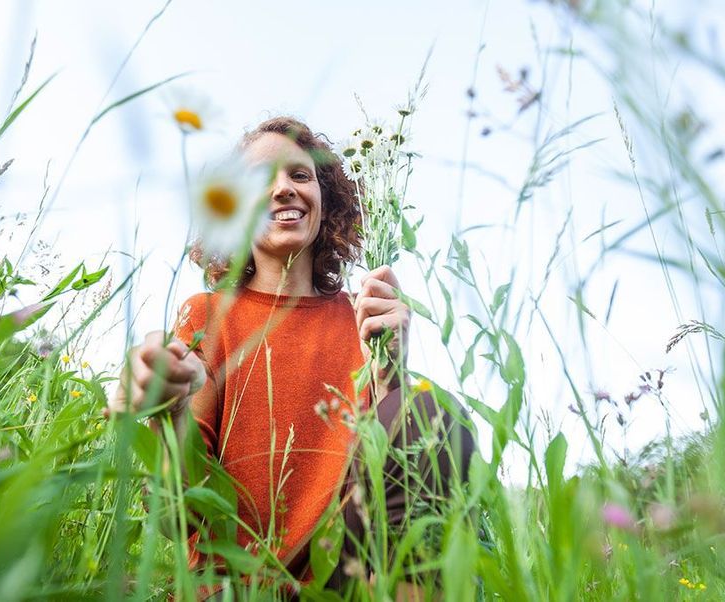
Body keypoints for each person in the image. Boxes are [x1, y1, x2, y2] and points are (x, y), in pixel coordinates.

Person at [111, 116, 474, 596]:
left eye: (299, 175)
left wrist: (392, 373)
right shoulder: (208, 316)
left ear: (325, 203)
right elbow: (183, 506)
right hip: (233, 589)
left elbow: (394, 481)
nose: (283, 189)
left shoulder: (361, 320)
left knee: (433, 413)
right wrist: (168, 409)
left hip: (336, 582)